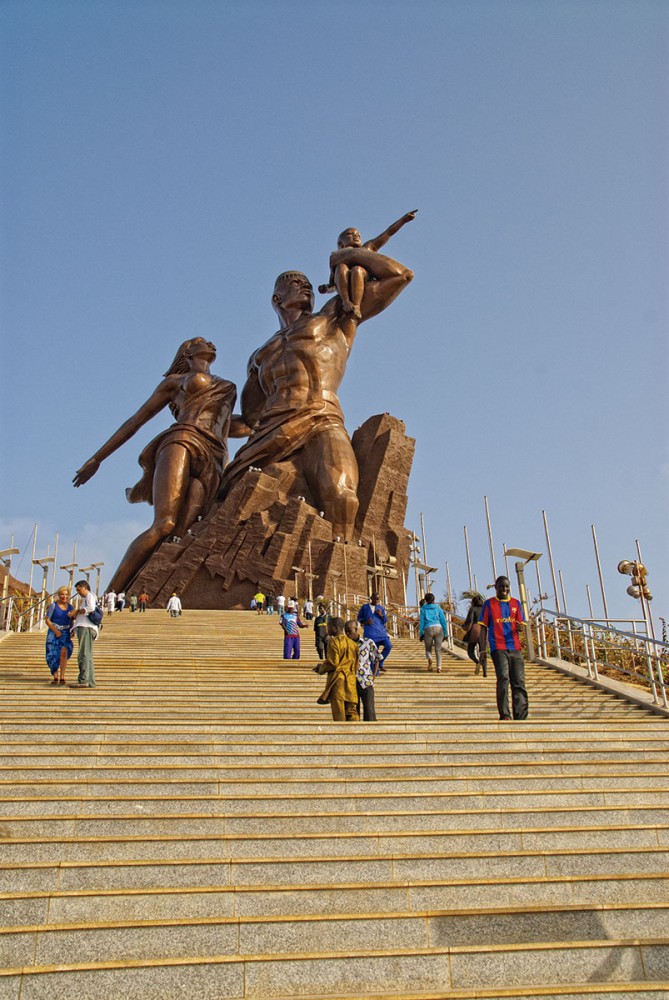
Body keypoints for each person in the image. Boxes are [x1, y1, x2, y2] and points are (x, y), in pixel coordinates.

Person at [219, 233, 414, 541]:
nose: (306, 285)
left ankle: (340, 582)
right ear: (277, 299)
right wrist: (200, 425)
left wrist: (349, 255)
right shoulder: (259, 356)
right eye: (295, 282)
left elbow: (400, 275)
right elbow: (248, 420)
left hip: (321, 417)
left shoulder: (335, 317)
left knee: (342, 497)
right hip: (268, 432)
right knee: (224, 504)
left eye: (308, 282)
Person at [74, 337, 247, 593]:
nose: (209, 342)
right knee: (164, 524)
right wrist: (97, 458)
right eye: (201, 341)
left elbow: (241, 425)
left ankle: (151, 590)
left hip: (216, 456)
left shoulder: (226, 386)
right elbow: (136, 420)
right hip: (183, 439)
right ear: (187, 352)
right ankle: (111, 597)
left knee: (184, 532)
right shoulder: (174, 383)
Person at [318, 211, 417, 319]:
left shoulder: (367, 248)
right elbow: (333, 282)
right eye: (350, 234)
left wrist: (403, 220)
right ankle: (346, 302)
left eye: (358, 235)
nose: (356, 236)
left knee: (357, 269)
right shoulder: (336, 257)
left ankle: (356, 305)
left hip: (362, 277)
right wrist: (326, 288)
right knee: (341, 267)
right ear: (340, 244)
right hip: (344, 282)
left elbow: (387, 233)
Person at [479, 576, 529, 721]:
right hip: (498, 647)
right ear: (496, 587)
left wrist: (520, 627)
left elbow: (521, 623)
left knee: (519, 682)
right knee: (503, 678)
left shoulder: (516, 603)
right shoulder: (489, 604)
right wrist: (483, 649)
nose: (504, 590)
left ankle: (521, 716)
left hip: (515, 647)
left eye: (507, 587)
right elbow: (483, 627)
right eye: (501, 587)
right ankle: (505, 714)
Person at [314, 618, 360, 721]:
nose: (327, 630)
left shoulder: (333, 641)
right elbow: (357, 664)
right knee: (352, 712)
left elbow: (333, 663)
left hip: (338, 681)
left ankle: (342, 735)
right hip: (351, 681)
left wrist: (320, 669)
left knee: (339, 713)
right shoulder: (353, 643)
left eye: (329, 627)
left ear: (335, 628)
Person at [345, 620, 378, 721]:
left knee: (369, 710)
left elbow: (377, 659)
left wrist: (373, 677)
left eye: (349, 631)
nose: (347, 634)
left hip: (366, 681)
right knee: (354, 712)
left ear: (356, 629)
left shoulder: (368, 642)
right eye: (346, 631)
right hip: (351, 682)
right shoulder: (346, 645)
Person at [69, 579, 98, 688]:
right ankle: (90, 681)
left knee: (84, 655)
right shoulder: (86, 598)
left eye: (79, 589)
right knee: (87, 655)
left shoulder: (89, 596)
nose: (78, 592)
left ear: (85, 587)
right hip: (84, 628)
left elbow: (91, 608)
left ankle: (84, 680)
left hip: (86, 628)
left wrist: (76, 611)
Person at [45, 586, 74, 685]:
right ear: (59, 595)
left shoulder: (70, 607)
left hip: (65, 632)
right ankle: (55, 676)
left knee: (63, 653)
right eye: (62, 594)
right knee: (53, 653)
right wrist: (55, 631)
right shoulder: (53, 606)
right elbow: (47, 620)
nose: (64, 596)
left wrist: (72, 630)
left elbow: (72, 620)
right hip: (54, 631)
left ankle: (62, 676)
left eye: (66, 594)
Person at [357, 592, 392, 673]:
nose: (376, 601)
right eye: (375, 599)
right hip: (370, 633)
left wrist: (381, 615)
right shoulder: (365, 607)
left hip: (381, 633)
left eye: (378, 599)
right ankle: (375, 672)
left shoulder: (380, 608)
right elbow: (359, 618)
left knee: (389, 646)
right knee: (373, 653)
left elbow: (385, 620)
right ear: (371, 598)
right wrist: (366, 622)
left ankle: (380, 663)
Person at [419, 593, 448, 672]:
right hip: (438, 628)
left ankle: (430, 658)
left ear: (426, 600)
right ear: (434, 600)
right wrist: (445, 633)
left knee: (428, 649)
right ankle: (439, 667)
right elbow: (443, 620)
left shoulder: (423, 609)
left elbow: (421, 622)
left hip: (428, 628)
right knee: (438, 649)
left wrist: (421, 634)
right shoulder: (438, 608)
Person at [462, 593, 488, 677]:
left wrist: (465, 627)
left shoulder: (473, 609)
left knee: (470, 650)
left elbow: (470, 620)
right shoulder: (485, 609)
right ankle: (485, 671)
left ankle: (477, 662)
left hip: (475, 629)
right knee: (483, 651)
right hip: (484, 629)